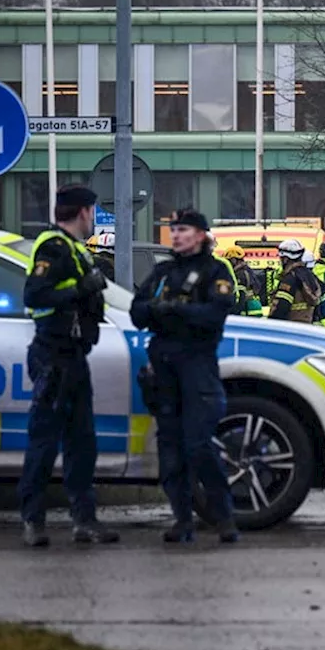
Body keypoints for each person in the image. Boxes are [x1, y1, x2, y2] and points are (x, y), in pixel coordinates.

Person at [131, 208, 239, 544]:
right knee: (170, 448)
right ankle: (181, 519)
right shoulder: (162, 272)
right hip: (164, 366)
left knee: (199, 445)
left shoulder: (215, 271)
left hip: (197, 365)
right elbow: (137, 312)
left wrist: (175, 311)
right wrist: (157, 311)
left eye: (184, 229)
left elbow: (214, 315)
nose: (176, 235)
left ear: (201, 235)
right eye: (173, 229)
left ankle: (223, 516)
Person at [18, 184, 119, 548]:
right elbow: (34, 295)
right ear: (82, 213)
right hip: (53, 355)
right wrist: (80, 289)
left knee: (82, 443)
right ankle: (33, 521)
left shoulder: (75, 249)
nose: (93, 219)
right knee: (44, 442)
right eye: (92, 212)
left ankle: (85, 522)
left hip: (74, 356)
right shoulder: (53, 248)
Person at [267, 239, 323, 323]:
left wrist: (271, 322)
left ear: (286, 259)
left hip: (291, 326)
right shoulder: (309, 275)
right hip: (307, 325)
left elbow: (282, 306)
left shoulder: (290, 278)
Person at [222, 245, 264, 316]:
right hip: (253, 306)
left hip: (248, 309)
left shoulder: (240, 274)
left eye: (229, 260)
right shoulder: (246, 270)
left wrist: (234, 313)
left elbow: (241, 296)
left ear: (234, 260)